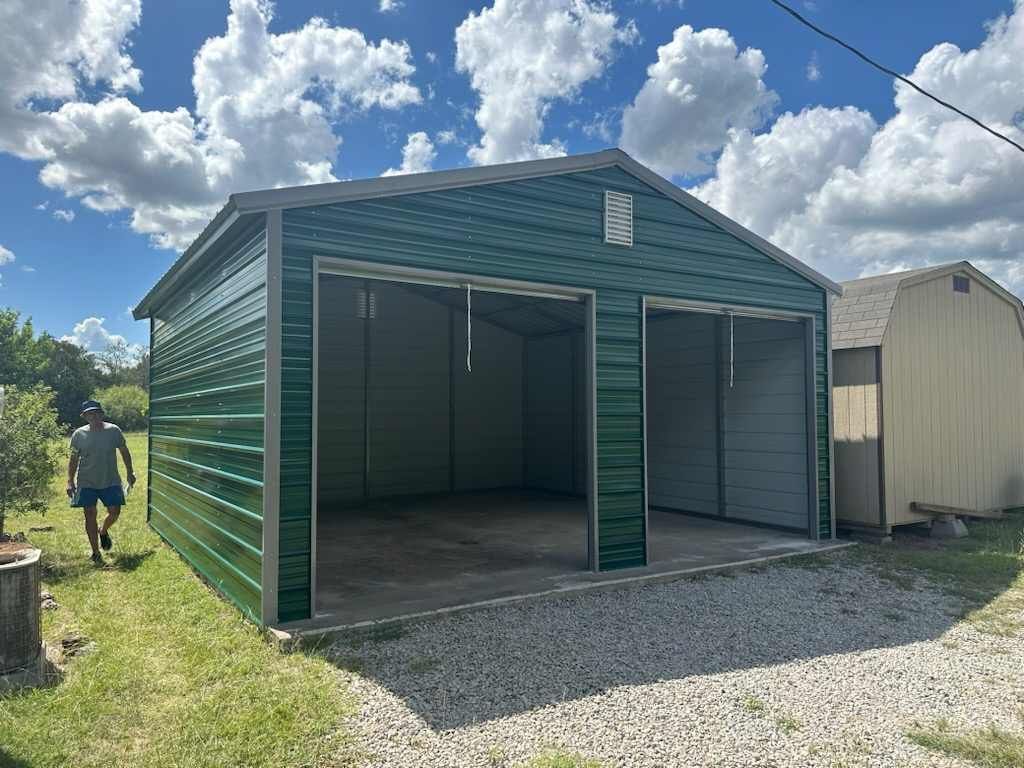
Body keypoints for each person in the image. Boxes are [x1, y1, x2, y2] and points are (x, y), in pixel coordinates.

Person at [66, 400, 136, 565]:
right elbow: (73, 458)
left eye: (97, 413)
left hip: (110, 479)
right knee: (90, 515)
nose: (94, 416)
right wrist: (70, 480)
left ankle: (103, 531)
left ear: (102, 414)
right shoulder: (79, 434)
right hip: (86, 481)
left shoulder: (113, 431)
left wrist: (129, 471)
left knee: (114, 512)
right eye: (90, 413)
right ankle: (95, 552)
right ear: (85, 416)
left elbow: (124, 451)